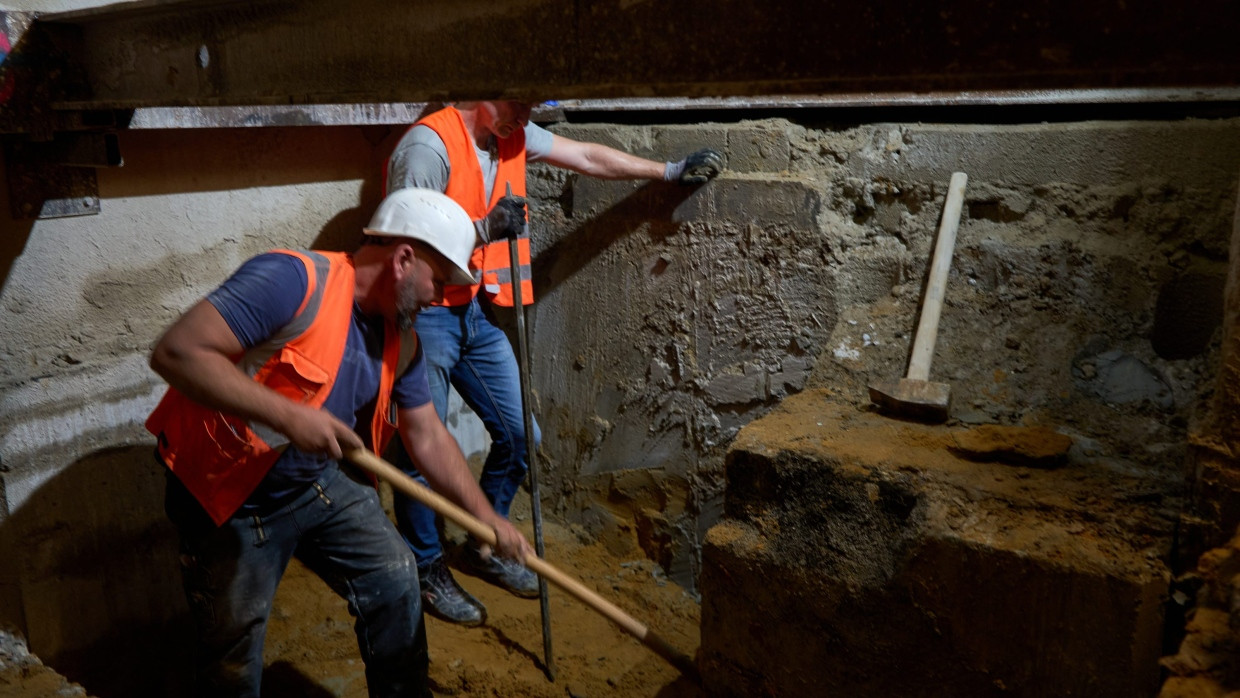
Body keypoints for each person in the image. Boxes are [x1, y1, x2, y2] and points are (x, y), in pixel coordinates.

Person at [146, 187, 533, 697]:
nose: (438, 297)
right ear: (403, 259)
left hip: (314, 483)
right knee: (232, 657)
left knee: (396, 578)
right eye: (437, 281)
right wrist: (290, 417)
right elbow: (175, 352)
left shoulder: (402, 337)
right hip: (231, 499)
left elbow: (427, 434)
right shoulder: (293, 281)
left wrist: (486, 516)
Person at [384, 100, 723, 626]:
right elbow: (404, 241)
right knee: (416, 454)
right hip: (426, 313)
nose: (523, 116)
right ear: (483, 87)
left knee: (522, 437)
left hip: (472, 308)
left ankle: (485, 542)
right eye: (516, 104)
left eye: (530, 107)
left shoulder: (513, 131)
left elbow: (587, 155)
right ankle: (426, 569)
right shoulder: (430, 148)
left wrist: (668, 171)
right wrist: (481, 229)